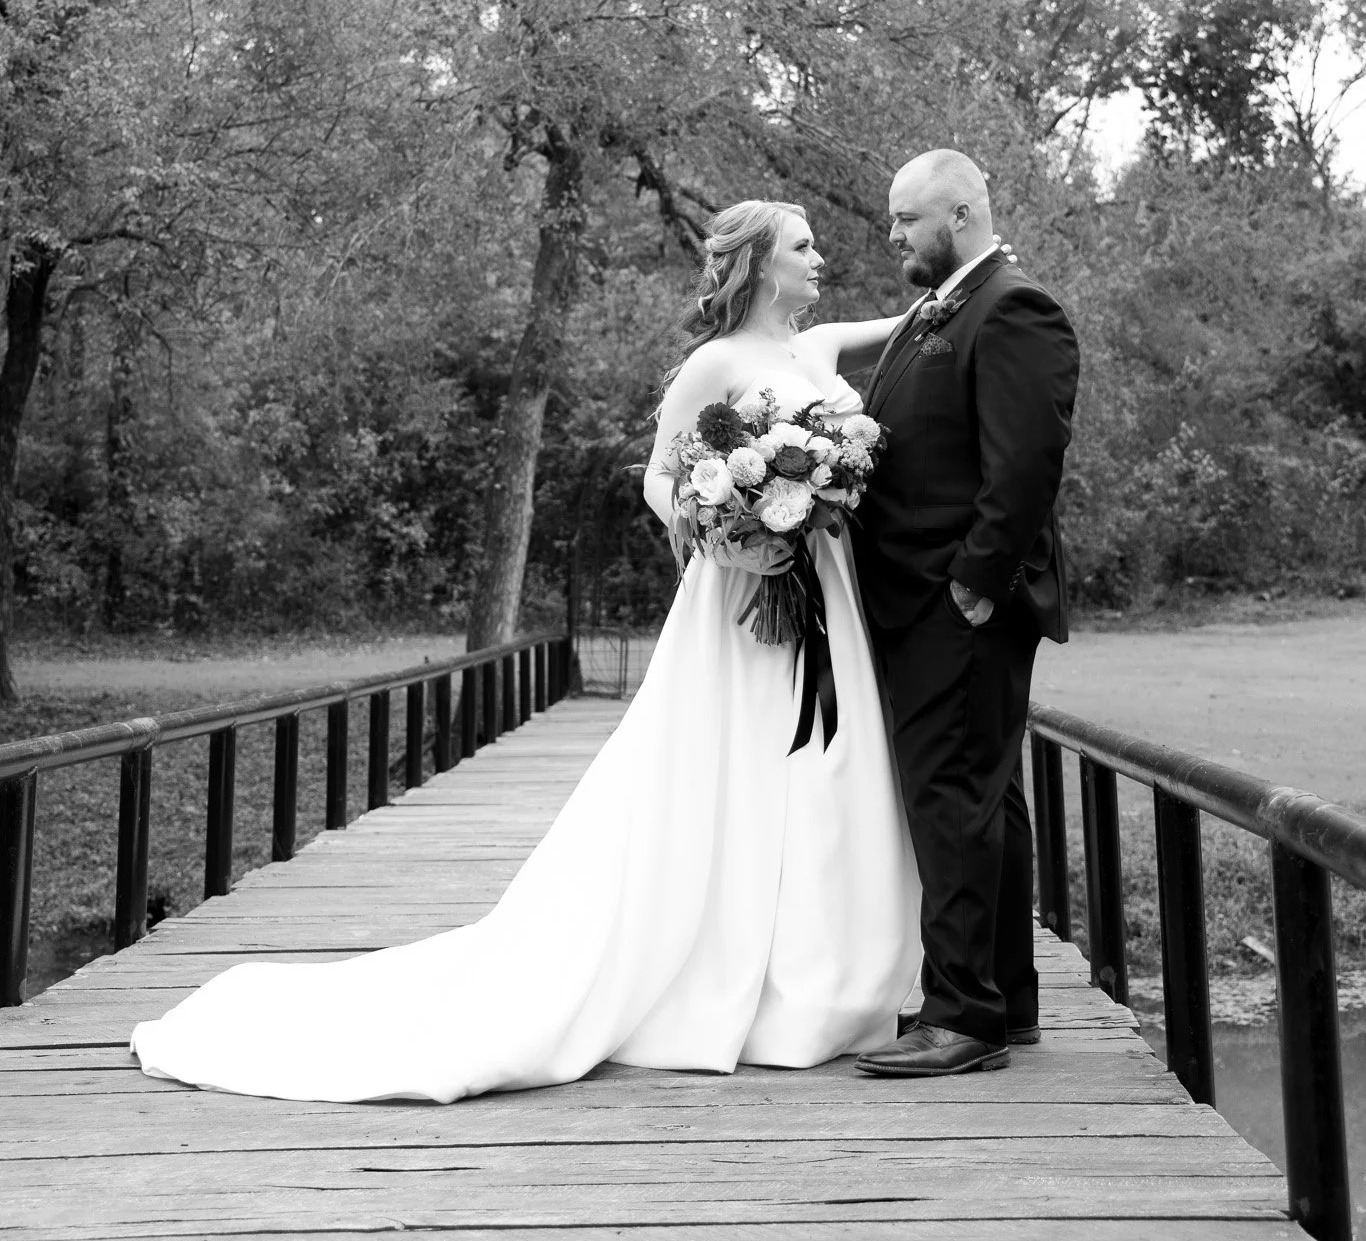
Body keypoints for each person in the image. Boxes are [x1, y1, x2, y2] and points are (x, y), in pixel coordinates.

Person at [130, 199, 922, 1103]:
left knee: (825, 771)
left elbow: (911, 319)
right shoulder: (716, 363)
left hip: (828, 592)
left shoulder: (817, 349)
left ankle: (821, 979)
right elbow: (663, 477)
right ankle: (718, 971)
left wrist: (974, 271)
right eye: (803, 246)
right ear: (758, 264)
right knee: (731, 772)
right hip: (742, 595)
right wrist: (725, 534)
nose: (820, 258)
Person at [851, 149, 1079, 1079]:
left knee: (951, 799)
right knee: (986, 798)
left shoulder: (1014, 308)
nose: (894, 234)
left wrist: (975, 581)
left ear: (961, 213)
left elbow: (1024, 463)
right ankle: (1004, 999)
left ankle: (961, 1017)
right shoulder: (937, 311)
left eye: (907, 219)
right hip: (922, 598)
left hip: (960, 602)